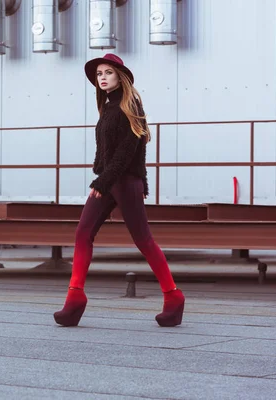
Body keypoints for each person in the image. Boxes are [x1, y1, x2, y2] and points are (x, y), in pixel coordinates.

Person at [53, 53, 185, 328]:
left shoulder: (130, 106)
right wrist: (103, 178)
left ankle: (173, 297)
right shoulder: (108, 108)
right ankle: (74, 298)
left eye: (108, 72)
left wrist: (118, 182)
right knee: (82, 233)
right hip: (109, 180)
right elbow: (108, 152)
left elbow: (129, 152)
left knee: (143, 240)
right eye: (99, 73)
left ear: (120, 76)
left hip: (123, 181)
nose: (102, 77)